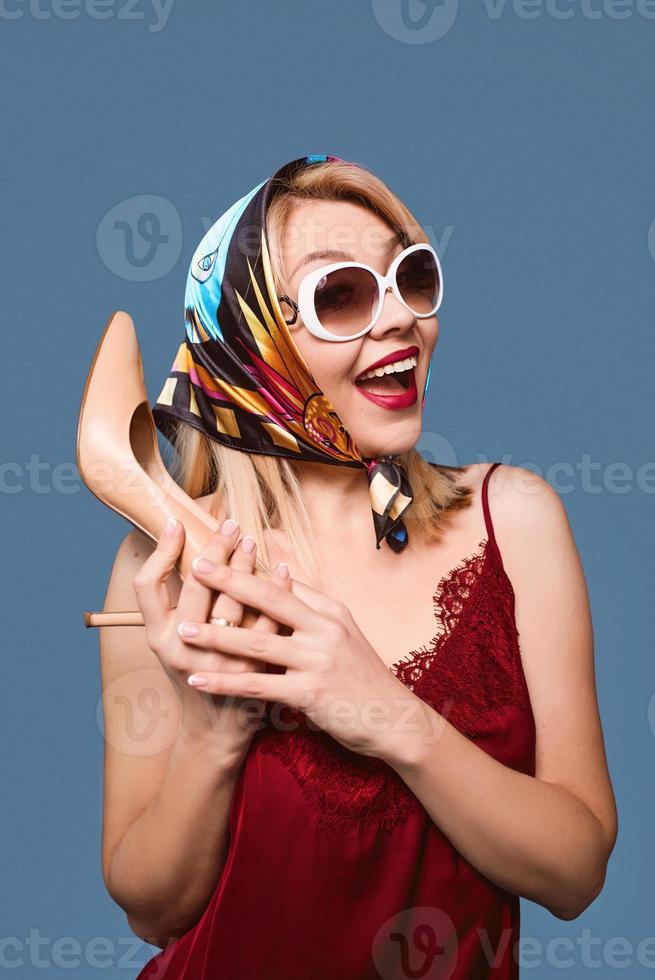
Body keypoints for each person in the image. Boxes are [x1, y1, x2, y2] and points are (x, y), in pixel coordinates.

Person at [98, 155, 617, 979]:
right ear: (249, 338)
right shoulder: (167, 565)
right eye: (341, 295)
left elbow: (574, 872)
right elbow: (150, 909)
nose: (400, 320)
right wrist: (210, 734)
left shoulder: (513, 519)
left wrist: (388, 716)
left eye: (411, 278)